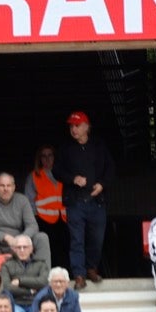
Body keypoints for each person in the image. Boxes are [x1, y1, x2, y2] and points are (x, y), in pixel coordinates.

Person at [56, 111, 112, 288]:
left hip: (97, 200)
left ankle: (92, 269)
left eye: (77, 125)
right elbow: (56, 171)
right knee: (77, 239)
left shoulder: (99, 145)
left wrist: (102, 184)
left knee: (97, 238)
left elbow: (111, 169)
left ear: (87, 126)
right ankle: (79, 274)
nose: (74, 129)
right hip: (75, 201)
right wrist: (73, 179)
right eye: (71, 126)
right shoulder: (65, 147)